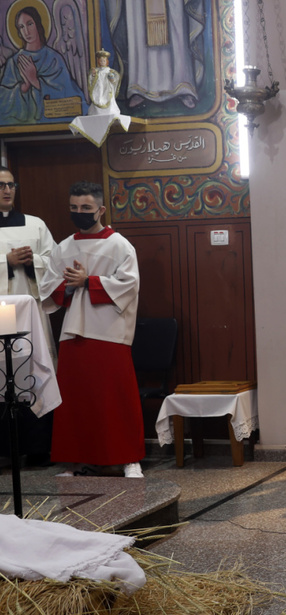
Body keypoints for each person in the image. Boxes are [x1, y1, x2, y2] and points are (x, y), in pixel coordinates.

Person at [41, 181, 144, 478]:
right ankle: (76, 460)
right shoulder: (64, 247)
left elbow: (129, 285)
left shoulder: (120, 245)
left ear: (100, 209)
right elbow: (49, 288)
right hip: (74, 333)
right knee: (77, 401)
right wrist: (70, 286)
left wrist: (88, 281)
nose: (79, 212)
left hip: (110, 331)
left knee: (115, 398)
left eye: (86, 208)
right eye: (74, 208)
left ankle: (129, 459)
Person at [0, 166, 57, 466]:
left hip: (31, 314)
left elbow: (55, 262)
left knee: (35, 371)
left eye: (11, 185)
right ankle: (4, 452)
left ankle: (38, 448)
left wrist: (34, 261)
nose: (7, 190)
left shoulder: (36, 225)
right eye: (1, 185)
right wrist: (5, 263)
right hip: (1, 315)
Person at [0, 5, 88, 124]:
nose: (26, 31)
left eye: (30, 24)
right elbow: (3, 100)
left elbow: (71, 96)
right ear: (19, 32)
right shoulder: (13, 62)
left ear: (38, 24)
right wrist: (24, 87)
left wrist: (35, 81)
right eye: (21, 27)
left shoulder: (54, 59)